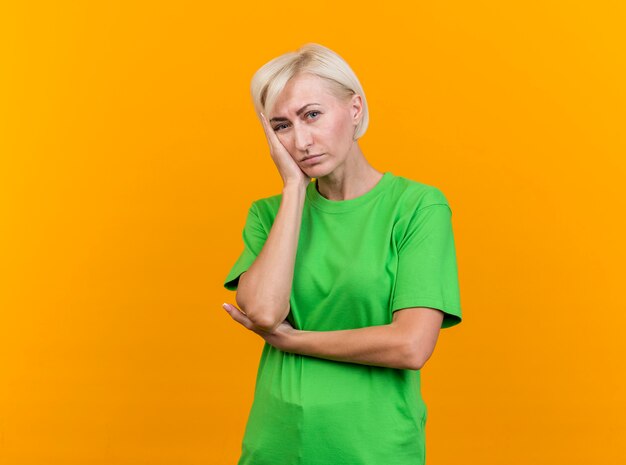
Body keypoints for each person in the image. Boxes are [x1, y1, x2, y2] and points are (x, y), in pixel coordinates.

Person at [221, 42, 463, 465]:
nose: (301, 139)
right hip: (276, 444)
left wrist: (295, 341)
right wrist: (294, 190)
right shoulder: (268, 215)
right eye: (281, 126)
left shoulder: (417, 207)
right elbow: (262, 312)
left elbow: (410, 346)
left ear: (354, 109)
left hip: (374, 447)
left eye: (312, 114)